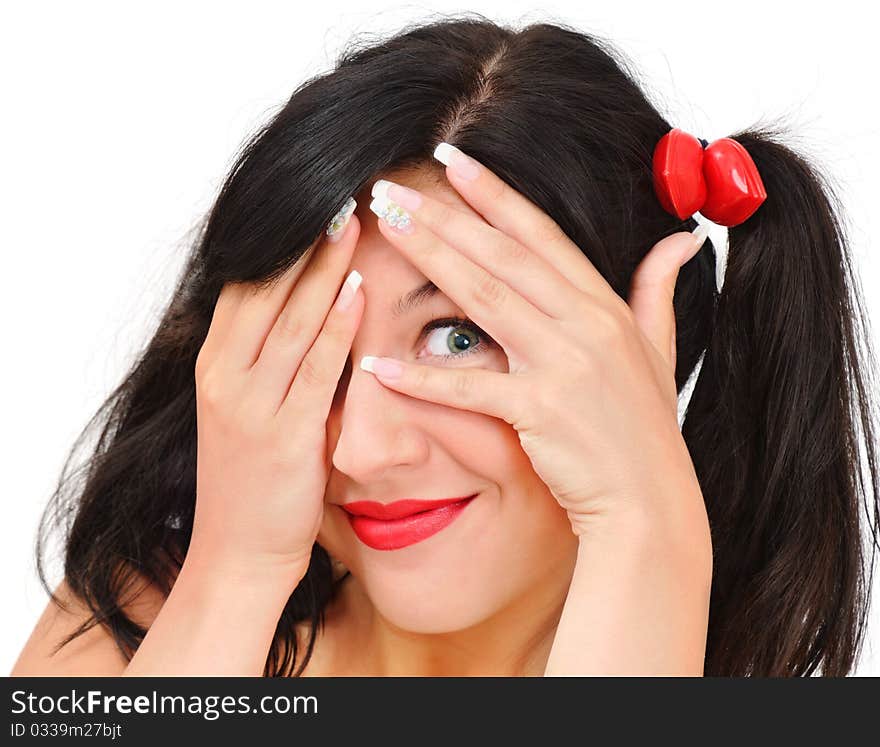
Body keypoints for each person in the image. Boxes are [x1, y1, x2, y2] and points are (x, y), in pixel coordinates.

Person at [11, 16, 880, 677]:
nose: (362, 449)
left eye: (457, 335)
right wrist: (234, 574)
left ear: (639, 344)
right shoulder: (144, 622)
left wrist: (645, 531)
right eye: (314, 347)